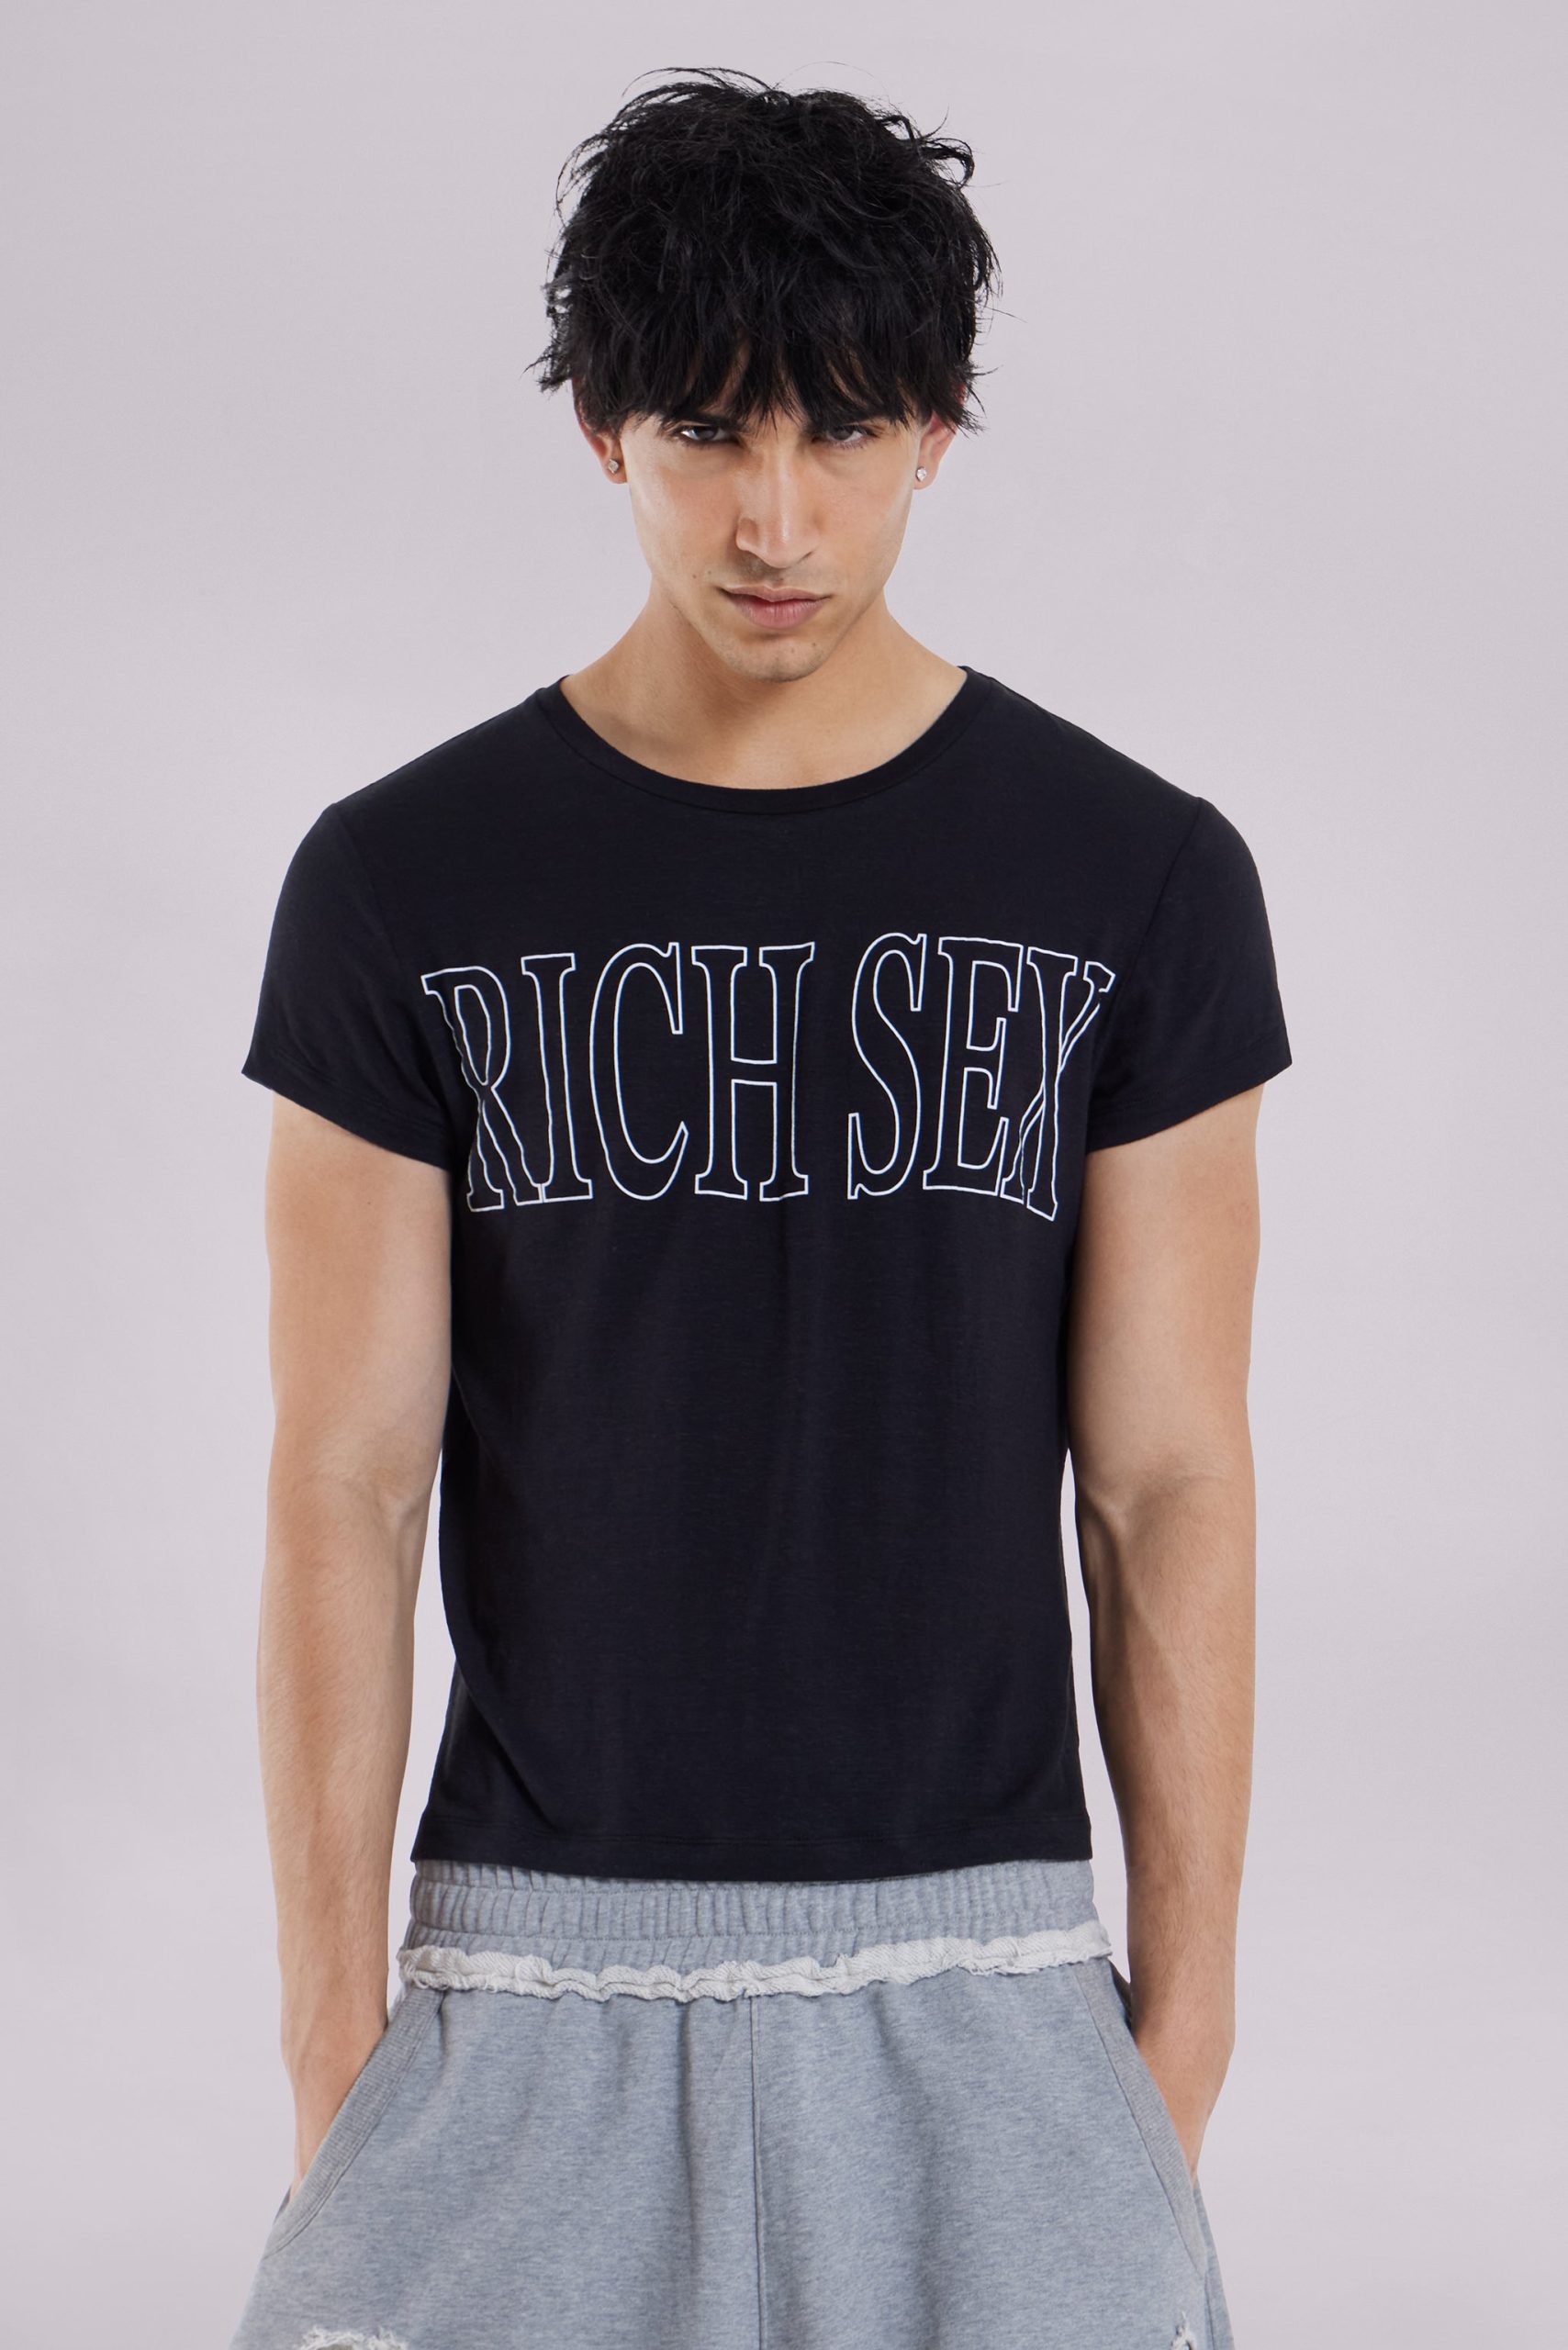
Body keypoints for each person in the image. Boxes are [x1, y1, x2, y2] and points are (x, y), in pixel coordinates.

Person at [228, 66, 1291, 2350]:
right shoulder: (401, 882)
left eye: (843, 427)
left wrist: (1176, 2045)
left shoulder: (1137, 876)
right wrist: (333, 2045)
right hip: (524, 1973)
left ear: (939, 427)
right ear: (600, 428)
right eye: (707, 429)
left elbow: (1167, 1482)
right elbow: (345, 1478)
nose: (774, 514)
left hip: (993, 1973)